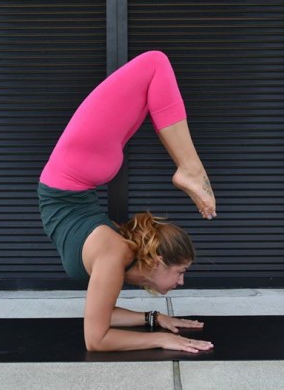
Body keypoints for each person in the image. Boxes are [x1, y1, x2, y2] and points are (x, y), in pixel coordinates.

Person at [38, 50, 216, 353]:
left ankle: (189, 168)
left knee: (152, 80)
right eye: (180, 271)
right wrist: (161, 338)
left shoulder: (118, 260)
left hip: (79, 172)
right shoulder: (114, 255)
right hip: (76, 170)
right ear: (158, 261)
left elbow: (98, 316)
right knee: (154, 63)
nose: (181, 282)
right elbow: (96, 339)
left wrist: (153, 318)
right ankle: (190, 169)